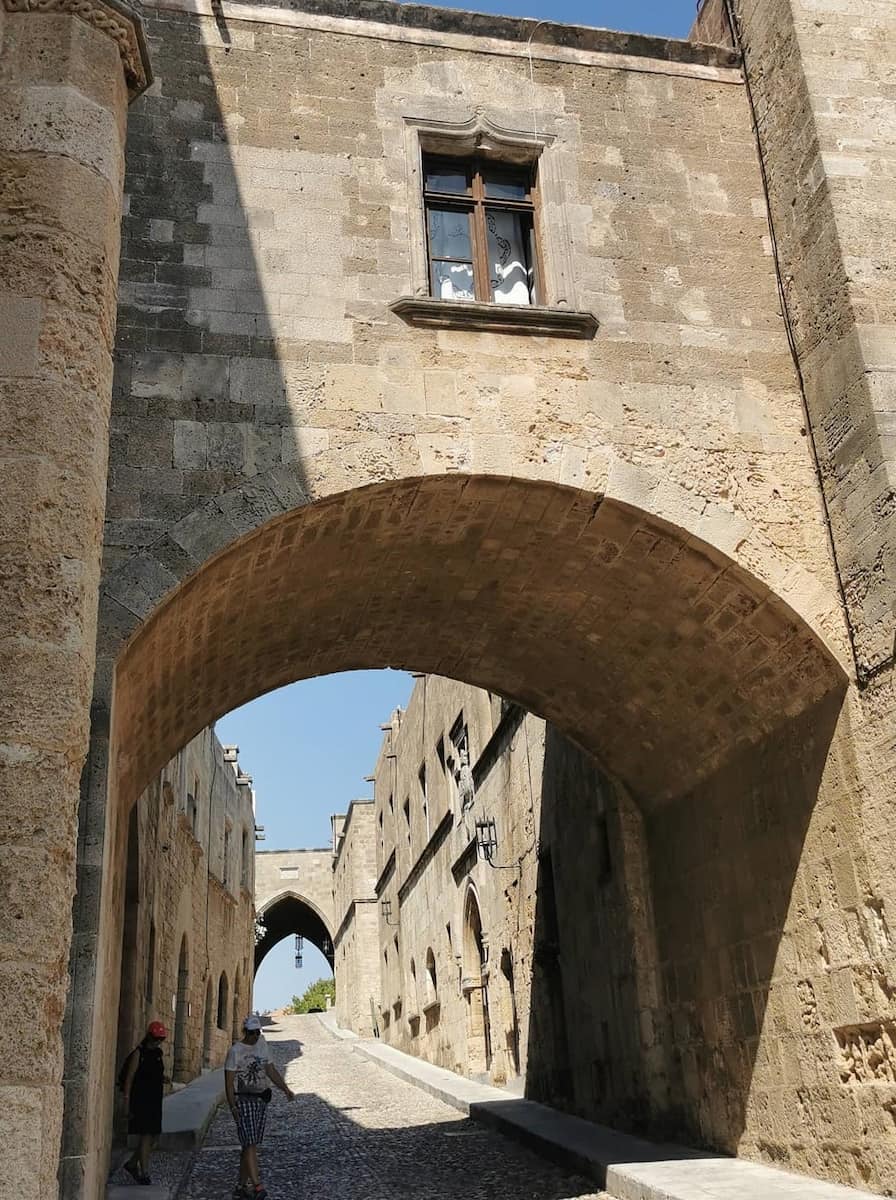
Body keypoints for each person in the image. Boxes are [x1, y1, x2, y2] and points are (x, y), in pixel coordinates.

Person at [225, 1015, 294, 1199]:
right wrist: (233, 1108)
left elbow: (270, 1070)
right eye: (252, 1032)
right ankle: (257, 1186)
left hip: (261, 1101)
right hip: (245, 1101)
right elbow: (229, 1083)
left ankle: (241, 1186)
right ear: (245, 1032)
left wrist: (285, 1089)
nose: (255, 1035)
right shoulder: (235, 1051)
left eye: (258, 1032)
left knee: (249, 1144)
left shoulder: (262, 1045)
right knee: (250, 1144)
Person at [121, 1020, 168, 1185]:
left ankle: (132, 1163)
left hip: (155, 1101)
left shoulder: (158, 1054)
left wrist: (163, 1078)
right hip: (141, 1100)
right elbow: (129, 1079)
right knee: (146, 1135)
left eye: (160, 1039)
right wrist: (126, 1101)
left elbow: (154, 1074)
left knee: (153, 1136)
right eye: (156, 1038)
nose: (158, 1042)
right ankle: (144, 1172)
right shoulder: (138, 1054)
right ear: (149, 1037)